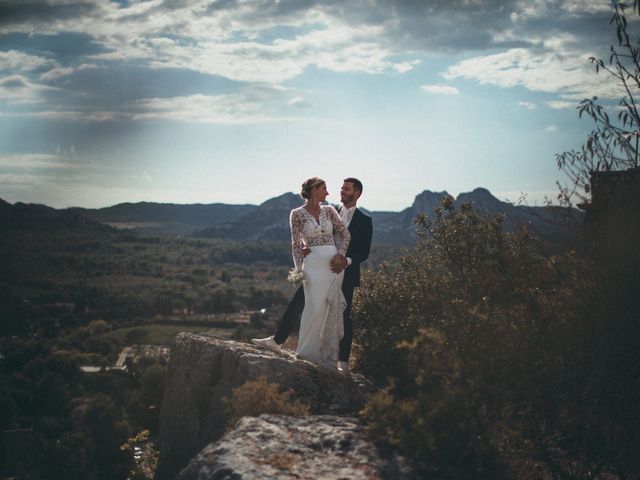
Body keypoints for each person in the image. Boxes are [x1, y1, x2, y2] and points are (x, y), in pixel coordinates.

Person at [253, 177, 373, 373]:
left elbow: (363, 252)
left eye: (346, 189)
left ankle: (342, 360)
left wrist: (345, 259)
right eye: (341, 188)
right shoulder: (329, 209)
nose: (341, 191)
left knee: (342, 313)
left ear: (357, 193)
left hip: (345, 271)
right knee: (300, 303)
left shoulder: (365, 220)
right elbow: (311, 234)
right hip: (317, 266)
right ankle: (277, 341)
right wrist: (304, 247)